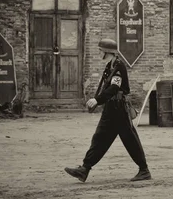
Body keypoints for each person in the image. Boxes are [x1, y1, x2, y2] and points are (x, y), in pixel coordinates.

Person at [64, 38, 151, 182]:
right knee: (99, 138)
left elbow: (114, 87)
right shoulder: (109, 66)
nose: (99, 53)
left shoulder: (119, 66)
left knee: (130, 140)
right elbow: (106, 88)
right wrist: (98, 99)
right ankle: (85, 169)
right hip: (111, 108)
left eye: (100, 51)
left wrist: (97, 100)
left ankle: (144, 170)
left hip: (120, 109)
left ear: (107, 52)